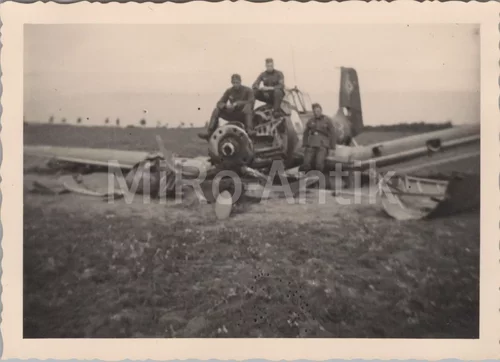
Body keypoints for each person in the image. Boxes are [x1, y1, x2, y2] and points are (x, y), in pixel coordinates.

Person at [198, 74, 255, 140]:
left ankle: (249, 130)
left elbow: (251, 101)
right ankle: (210, 132)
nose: (235, 84)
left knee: (248, 107)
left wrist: (238, 103)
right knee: (217, 110)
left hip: (244, 115)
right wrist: (226, 106)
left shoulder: (248, 90)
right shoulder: (229, 91)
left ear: (240, 82)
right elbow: (219, 103)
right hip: (233, 113)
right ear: (231, 82)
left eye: (237, 82)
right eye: (234, 83)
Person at [300, 103, 336, 172]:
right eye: (315, 111)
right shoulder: (311, 121)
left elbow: (333, 134)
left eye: (318, 111)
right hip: (312, 143)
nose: (317, 113)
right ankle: (307, 178)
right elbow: (306, 133)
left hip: (322, 144)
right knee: (306, 163)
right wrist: (304, 144)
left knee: (319, 164)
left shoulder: (327, 120)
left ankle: (318, 179)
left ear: (321, 111)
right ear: (313, 112)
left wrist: (333, 148)